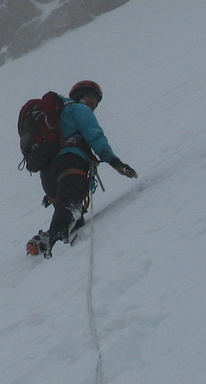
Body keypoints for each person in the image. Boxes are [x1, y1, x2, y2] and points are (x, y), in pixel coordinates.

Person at [30, 80, 137, 255]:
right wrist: (114, 161)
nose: (92, 103)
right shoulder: (79, 110)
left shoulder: (59, 115)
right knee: (71, 206)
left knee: (70, 209)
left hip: (48, 172)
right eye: (90, 97)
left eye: (95, 100)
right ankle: (50, 240)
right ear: (80, 96)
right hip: (71, 163)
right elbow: (95, 136)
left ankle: (62, 231)